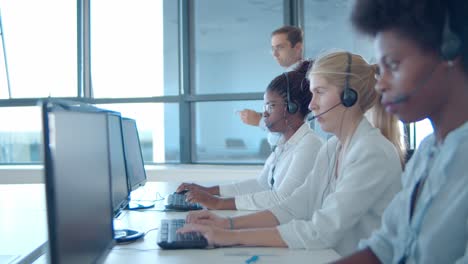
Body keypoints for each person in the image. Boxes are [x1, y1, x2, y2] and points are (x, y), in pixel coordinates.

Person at [178, 51, 404, 256]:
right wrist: (226, 225)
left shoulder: (371, 152)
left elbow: (320, 231)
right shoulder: (332, 147)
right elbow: (295, 205)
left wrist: (231, 237)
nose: (312, 105)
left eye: (319, 92)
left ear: (348, 96)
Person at [333, 0, 468, 263]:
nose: (380, 84)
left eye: (393, 65)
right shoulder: (428, 152)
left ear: (449, 52)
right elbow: (383, 248)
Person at [176, 61, 324, 210]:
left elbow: (283, 197)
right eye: (265, 106)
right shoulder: (283, 144)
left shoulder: (310, 145)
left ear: (293, 107)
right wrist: (209, 191)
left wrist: (218, 203)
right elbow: (261, 184)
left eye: (271, 106)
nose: (264, 113)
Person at [239, 26, 304, 129]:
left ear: (297, 48)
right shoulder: (289, 77)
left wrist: (258, 121)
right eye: (273, 48)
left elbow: (294, 121)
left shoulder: (302, 80)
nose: (274, 54)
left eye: (280, 47)